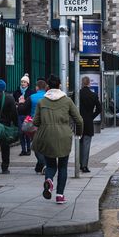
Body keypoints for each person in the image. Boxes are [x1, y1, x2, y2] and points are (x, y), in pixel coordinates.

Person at [33, 75, 83, 204]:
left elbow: (36, 122)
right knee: (63, 166)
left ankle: (49, 181)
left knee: (50, 165)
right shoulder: (67, 101)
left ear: (48, 87)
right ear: (60, 86)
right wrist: (79, 133)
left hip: (46, 136)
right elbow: (79, 120)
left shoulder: (42, 102)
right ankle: (60, 195)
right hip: (63, 136)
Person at [79, 76, 101, 173]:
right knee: (86, 144)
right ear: (89, 84)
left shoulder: (77, 94)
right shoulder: (94, 95)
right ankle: (84, 165)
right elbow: (99, 109)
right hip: (88, 122)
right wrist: (91, 116)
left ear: (81, 83)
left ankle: (79, 164)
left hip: (78, 122)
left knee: (78, 142)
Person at [28, 79, 47, 174]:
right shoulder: (48, 97)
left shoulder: (32, 97)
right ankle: (39, 167)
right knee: (44, 145)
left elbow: (23, 110)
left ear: (37, 87)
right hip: (47, 125)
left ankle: (43, 164)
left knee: (35, 146)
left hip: (35, 125)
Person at [13, 74, 35, 156]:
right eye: (22, 82)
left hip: (27, 115)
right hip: (19, 114)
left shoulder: (31, 92)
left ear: (28, 83)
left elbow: (31, 103)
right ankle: (23, 150)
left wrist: (25, 102)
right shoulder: (16, 92)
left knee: (27, 132)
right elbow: (13, 101)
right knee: (21, 132)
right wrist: (17, 103)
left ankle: (28, 149)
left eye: (24, 82)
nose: (22, 83)